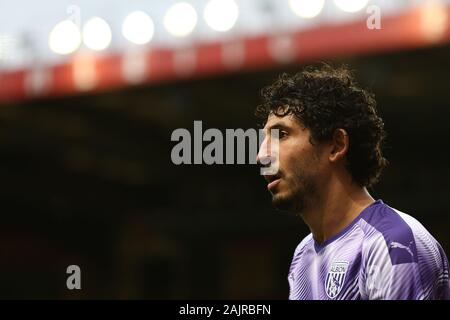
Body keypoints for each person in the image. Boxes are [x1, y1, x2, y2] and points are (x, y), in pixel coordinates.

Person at [255, 64, 449, 300]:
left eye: (281, 135)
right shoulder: (302, 256)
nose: (261, 155)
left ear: (336, 145)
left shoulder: (393, 245)